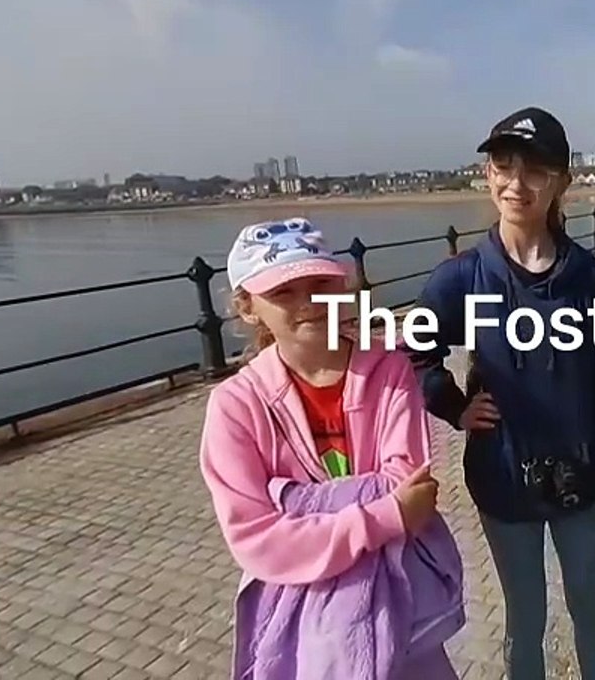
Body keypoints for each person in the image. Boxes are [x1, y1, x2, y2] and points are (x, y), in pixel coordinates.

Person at [407, 106, 595, 680]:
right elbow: (415, 358)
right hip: (503, 481)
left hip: (580, 485)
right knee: (525, 616)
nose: (517, 183)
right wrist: (456, 408)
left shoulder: (592, 281)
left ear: (562, 180)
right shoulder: (460, 278)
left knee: (588, 603)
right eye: (503, 166)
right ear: (487, 174)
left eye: (535, 170)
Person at [198, 217, 465, 679]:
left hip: (400, 606)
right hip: (305, 624)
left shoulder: (388, 371)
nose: (308, 303)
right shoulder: (235, 407)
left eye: (319, 283)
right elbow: (259, 542)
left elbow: (409, 481)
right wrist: (385, 514)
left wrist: (294, 503)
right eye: (283, 292)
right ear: (247, 307)